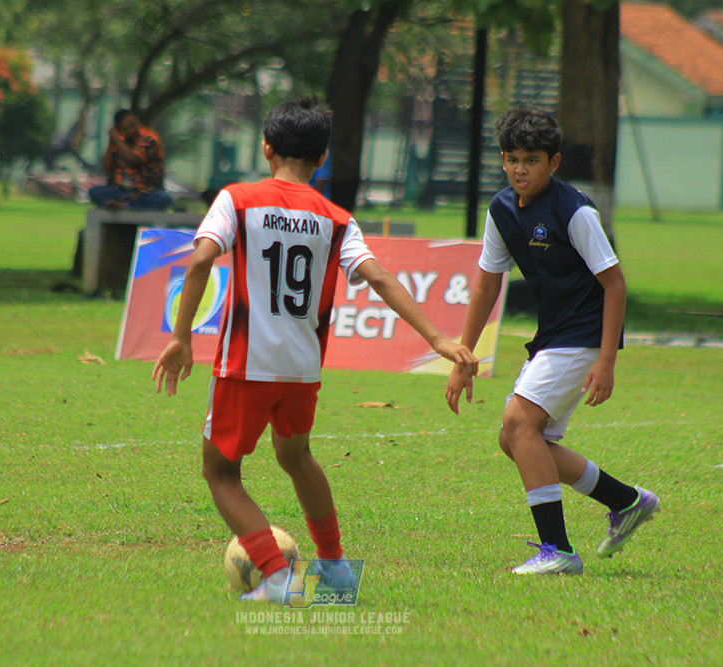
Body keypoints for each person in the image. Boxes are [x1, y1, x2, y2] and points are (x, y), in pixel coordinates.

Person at [153, 97, 479, 603]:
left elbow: (199, 262)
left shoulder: (238, 199)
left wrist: (179, 336)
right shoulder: (336, 218)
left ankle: (279, 577)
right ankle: (337, 571)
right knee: (296, 455)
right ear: (322, 158)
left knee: (220, 473)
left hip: (246, 364)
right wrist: (437, 339)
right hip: (302, 367)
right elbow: (380, 277)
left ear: (266, 147)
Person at [446, 104, 659, 575]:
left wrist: (607, 361)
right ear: (502, 160)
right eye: (512, 158)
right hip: (554, 336)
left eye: (532, 160)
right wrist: (465, 354)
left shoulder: (574, 211)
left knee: (518, 420)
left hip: (583, 333)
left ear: (553, 162)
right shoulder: (502, 209)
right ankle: (625, 501)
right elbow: (486, 284)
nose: (521, 169)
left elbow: (615, 284)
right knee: (516, 438)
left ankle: (557, 550)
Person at [88, 109, 172, 211]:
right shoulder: (119, 141)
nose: (133, 130)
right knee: (94, 192)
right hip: (123, 192)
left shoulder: (149, 138)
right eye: (127, 128)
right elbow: (107, 169)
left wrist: (117, 140)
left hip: (148, 192)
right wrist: (111, 142)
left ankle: (125, 206)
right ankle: (125, 204)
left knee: (162, 199)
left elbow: (133, 159)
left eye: (133, 124)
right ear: (120, 131)